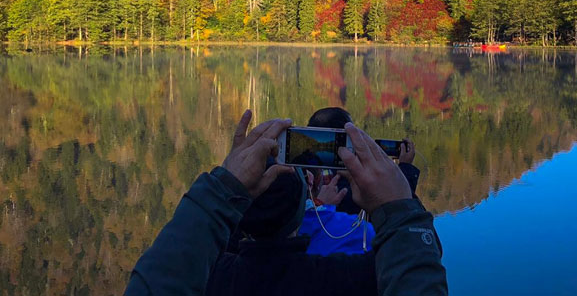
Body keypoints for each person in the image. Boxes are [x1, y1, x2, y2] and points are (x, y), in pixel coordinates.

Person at [124, 109, 447, 296]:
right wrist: (402, 193)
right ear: (302, 207)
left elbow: (162, 274)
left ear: (242, 213)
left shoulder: (215, 275)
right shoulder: (347, 278)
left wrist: (226, 186)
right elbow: (416, 265)